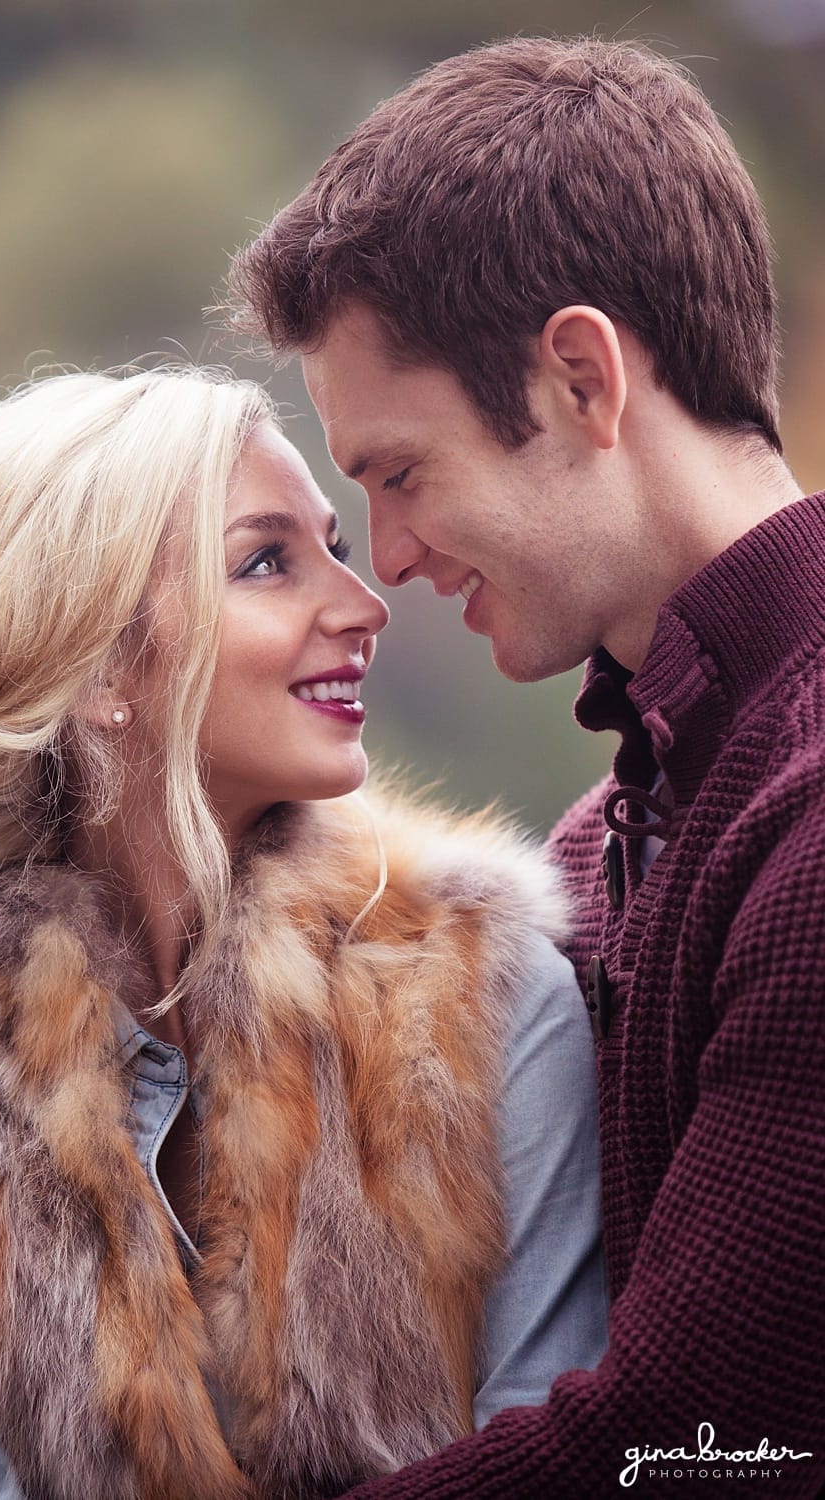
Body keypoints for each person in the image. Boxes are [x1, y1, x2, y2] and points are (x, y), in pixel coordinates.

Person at [0, 366, 606, 1499]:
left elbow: (553, 1465)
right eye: (265, 562)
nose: (363, 603)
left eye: (332, 546)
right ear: (98, 666)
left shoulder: (488, 988)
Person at [227, 34, 825, 1499]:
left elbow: (708, 1451)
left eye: (403, 476)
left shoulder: (809, 821)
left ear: (577, 378)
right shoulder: (592, 853)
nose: (397, 562)